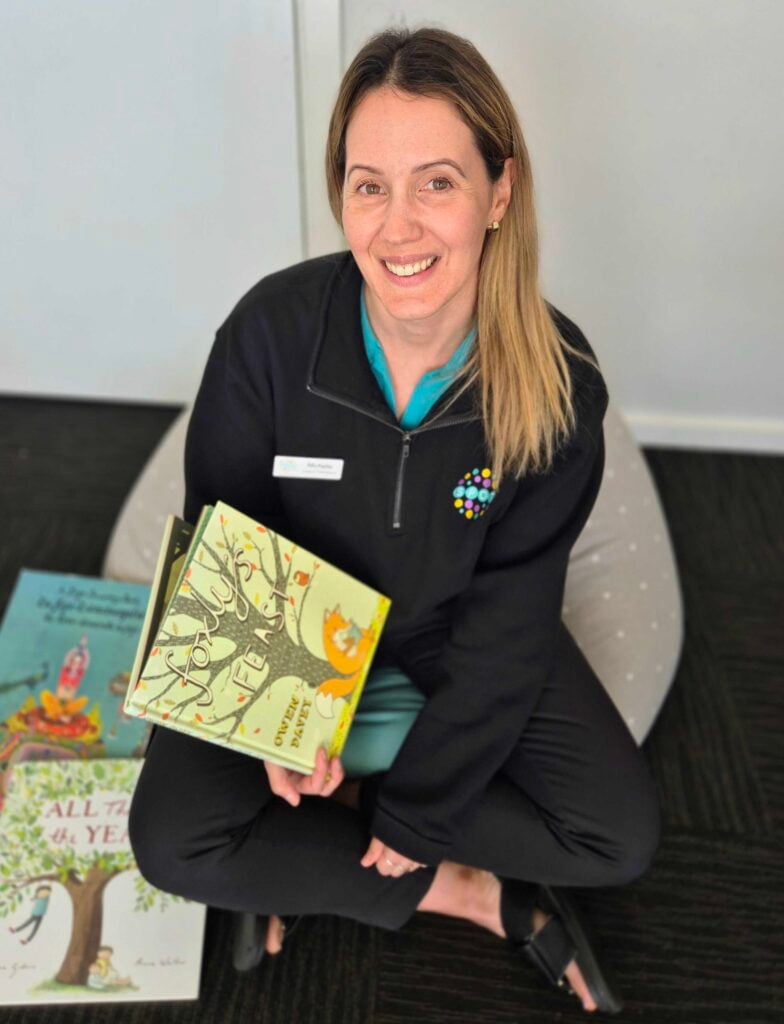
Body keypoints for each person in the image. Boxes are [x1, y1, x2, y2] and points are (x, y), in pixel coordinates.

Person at [128, 25, 660, 1014]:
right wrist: (274, 720)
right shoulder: (268, 335)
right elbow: (224, 543)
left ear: (499, 192)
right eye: (369, 184)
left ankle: (317, 846)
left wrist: (415, 811)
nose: (398, 227)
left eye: (437, 183)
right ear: (340, 192)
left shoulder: (558, 385)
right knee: (169, 840)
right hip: (294, 618)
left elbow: (510, 622)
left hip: (452, 628)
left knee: (616, 837)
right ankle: (472, 895)